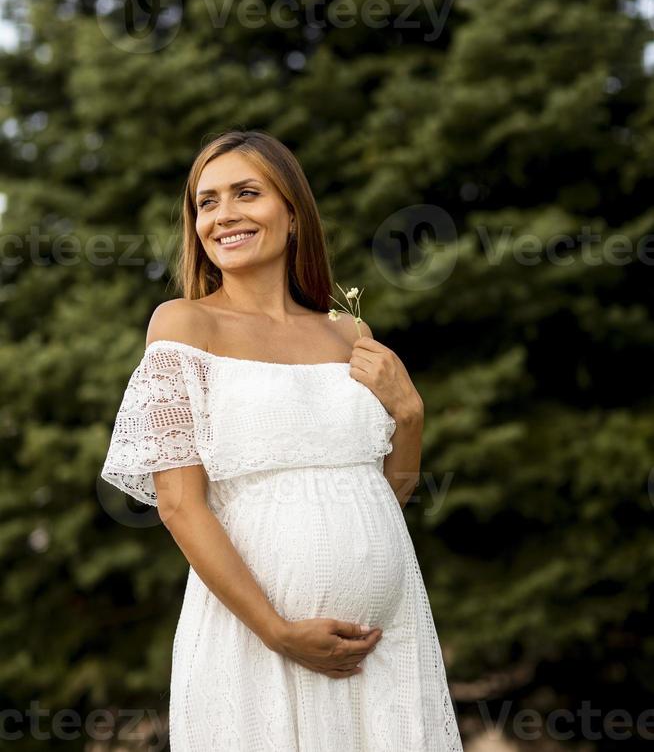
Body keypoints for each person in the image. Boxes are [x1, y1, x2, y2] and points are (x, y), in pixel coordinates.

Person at [101, 128, 464, 751]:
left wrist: (409, 417)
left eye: (247, 193)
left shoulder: (348, 333)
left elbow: (382, 497)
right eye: (206, 202)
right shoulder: (185, 324)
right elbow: (179, 503)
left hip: (384, 640)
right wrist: (276, 630)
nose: (223, 216)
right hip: (257, 639)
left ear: (292, 214)